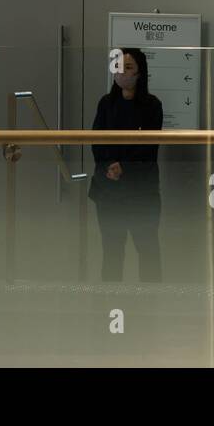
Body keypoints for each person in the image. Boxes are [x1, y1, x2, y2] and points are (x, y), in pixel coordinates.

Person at [89, 47, 163, 283]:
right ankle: (111, 306)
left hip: (141, 191)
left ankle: (150, 307)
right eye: (118, 67)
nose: (122, 73)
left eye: (128, 67)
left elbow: (149, 147)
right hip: (108, 190)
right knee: (112, 250)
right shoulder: (106, 103)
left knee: (147, 248)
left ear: (140, 73)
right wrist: (110, 164)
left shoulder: (152, 105)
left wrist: (124, 167)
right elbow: (97, 139)